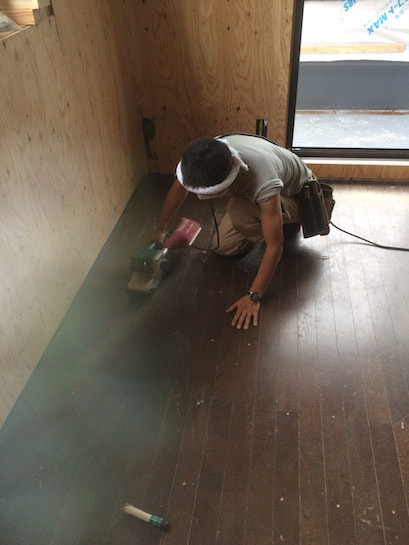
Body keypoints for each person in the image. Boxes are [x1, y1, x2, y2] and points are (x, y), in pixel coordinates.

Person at [152, 133, 333, 330]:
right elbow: (180, 187)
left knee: (240, 211)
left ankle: (286, 224)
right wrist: (160, 229)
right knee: (224, 247)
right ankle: (272, 224)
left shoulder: (262, 179)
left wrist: (254, 296)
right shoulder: (203, 157)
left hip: (300, 197)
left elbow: (275, 246)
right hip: (266, 193)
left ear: (224, 185)